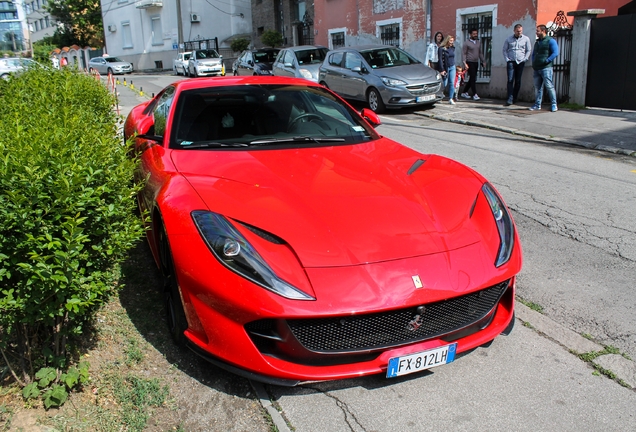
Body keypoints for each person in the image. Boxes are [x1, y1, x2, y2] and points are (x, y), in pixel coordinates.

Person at [530, 24, 559, 112]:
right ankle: (537, 104)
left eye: (538, 31)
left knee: (549, 86)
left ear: (543, 31)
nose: (536, 33)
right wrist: (533, 62)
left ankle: (554, 104)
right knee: (538, 87)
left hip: (546, 68)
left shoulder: (550, 41)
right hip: (537, 67)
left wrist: (547, 60)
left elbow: (555, 52)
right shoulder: (537, 42)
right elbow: (534, 54)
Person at [502, 24, 532, 105]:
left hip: (520, 61)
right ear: (514, 31)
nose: (519, 32)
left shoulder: (526, 39)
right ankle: (510, 98)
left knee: (518, 81)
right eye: (518, 31)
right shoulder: (509, 39)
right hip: (511, 61)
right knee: (510, 80)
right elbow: (504, 50)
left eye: (521, 31)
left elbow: (528, 50)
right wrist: (507, 60)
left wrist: (525, 59)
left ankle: (514, 97)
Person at [461, 28, 485, 100]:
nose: (475, 35)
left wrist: (483, 61)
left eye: (476, 34)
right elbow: (464, 53)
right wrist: (464, 63)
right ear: (470, 34)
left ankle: (464, 92)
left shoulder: (478, 42)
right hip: (469, 62)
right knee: (473, 78)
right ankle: (475, 94)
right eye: (474, 34)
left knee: (472, 78)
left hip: (475, 62)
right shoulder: (466, 43)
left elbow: (480, 53)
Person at [438, 35, 457, 105]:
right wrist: (442, 69)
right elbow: (440, 59)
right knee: (444, 83)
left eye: (452, 41)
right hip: (445, 67)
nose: (452, 42)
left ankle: (450, 98)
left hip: (452, 66)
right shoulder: (441, 49)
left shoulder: (452, 48)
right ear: (447, 41)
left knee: (452, 83)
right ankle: (440, 96)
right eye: (450, 41)